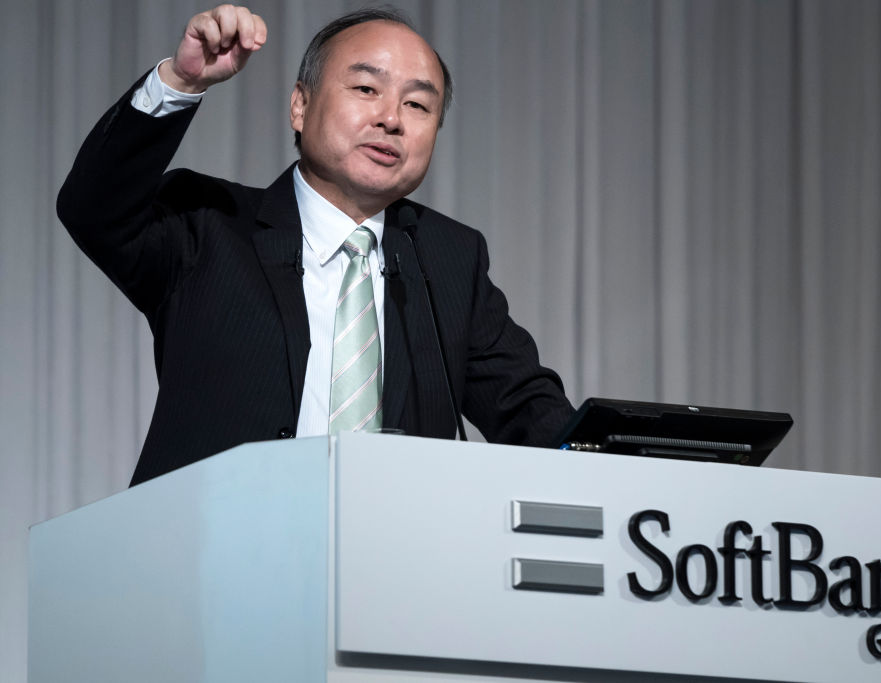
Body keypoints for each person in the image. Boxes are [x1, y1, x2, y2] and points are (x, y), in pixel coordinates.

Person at [57, 5, 573, 486]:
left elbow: (528, 409)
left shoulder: (449, 258)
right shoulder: (208, 224)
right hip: (213, 539)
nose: (391, 118)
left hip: (390, 547)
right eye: (367, 88)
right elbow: (92, 210)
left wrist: (610, 458)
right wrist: (181, 82)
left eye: (417, 104)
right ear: (300, 106)